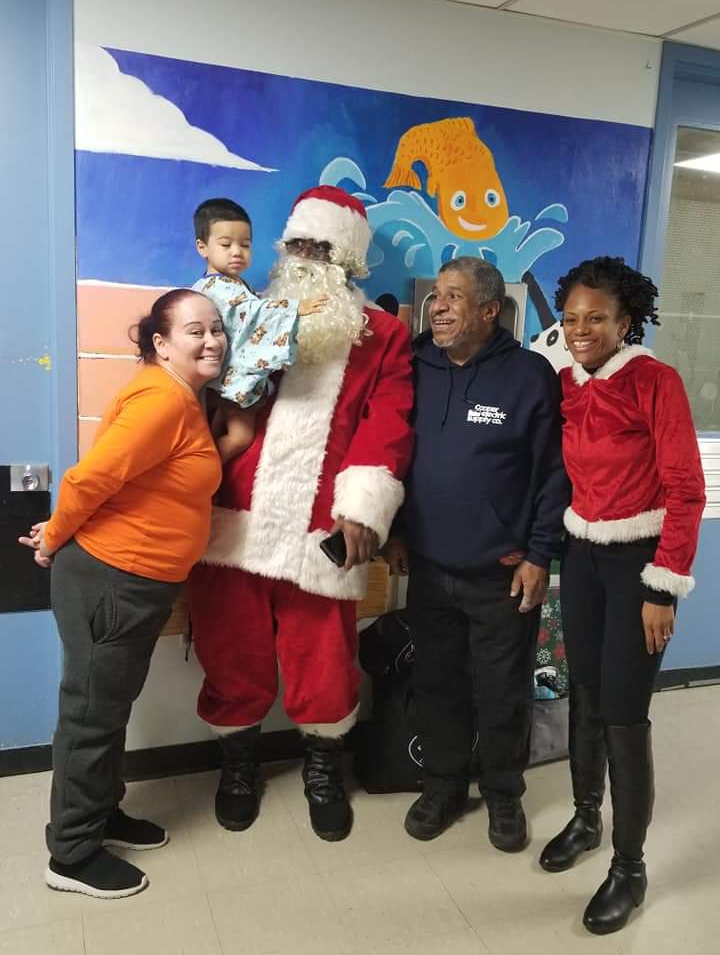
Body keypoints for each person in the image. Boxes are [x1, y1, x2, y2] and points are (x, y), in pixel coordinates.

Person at [188, 185, 414, 842]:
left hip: (322, 528)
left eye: (325, 249)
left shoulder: (384, 336)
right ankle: (238, 763)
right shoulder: (245, 314)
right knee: (232, 650)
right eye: (301, 246)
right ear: (286, 251)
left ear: (350, 260)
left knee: (323, 655)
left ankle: (322, 763)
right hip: (232, 518)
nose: (310, 258)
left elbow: (388, 425)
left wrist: (364, 512)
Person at [18, 289, 226, 899]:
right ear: (161, 343)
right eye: (195, 331)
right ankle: (72, 855)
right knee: (90, 717)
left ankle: (101, 815)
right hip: (112, 579)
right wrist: (53, 538)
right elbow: (92, 476)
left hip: (135, 580)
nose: (212, 340)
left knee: (107, 712)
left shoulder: (183, 400)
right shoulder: (163, 399)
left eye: (216, 329)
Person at [538, 257, 705, 934]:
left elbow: (687, 489)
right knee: (585, 692)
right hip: (583, 557)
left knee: (624, 714)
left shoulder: (654, 381)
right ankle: (585, 818)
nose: (581, 330)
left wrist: (663, 587)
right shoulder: (569, 384)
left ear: (625, 321)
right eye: (573, 318)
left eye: (596, 318)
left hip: (641, 566)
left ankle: (628, 868)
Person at [383, 257, 569, 851]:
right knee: (438, 686)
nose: (438, 306)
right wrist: (395, 530)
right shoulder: (414, 365)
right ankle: (442, 786)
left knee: (501, 690)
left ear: (489, 310)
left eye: (454, 297)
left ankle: (503, 794)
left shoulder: (529, 375)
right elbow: (393, 451)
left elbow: (553, 475)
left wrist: (541, 555)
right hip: (431, 568)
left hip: (504, 573)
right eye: (436, 295)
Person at [192, 198, 328, 462]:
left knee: (218, 426)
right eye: (226, 245)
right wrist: (295, 308)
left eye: (245, 245)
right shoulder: (216, 288)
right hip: (228, 381)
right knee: (241, 437)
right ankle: (205, 469)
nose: (237, 252)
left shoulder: (230, 283)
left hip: (221, 381)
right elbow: (251, 312)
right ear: (202, 247)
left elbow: (250, 309)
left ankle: (207, 471)